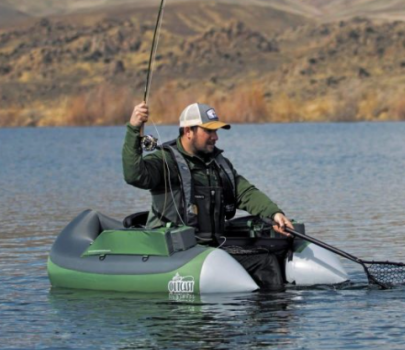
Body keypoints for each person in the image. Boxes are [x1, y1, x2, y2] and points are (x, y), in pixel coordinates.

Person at [123, 101, 294, 289]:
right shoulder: (165, 161)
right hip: (174, 253)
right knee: (264, 262)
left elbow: (245, 192)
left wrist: (274, 213)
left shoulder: (219, 165)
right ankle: (277, 315)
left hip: (210, 250)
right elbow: (134, 176)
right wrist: (134, 129)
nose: (216, 137)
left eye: (216, 131)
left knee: (273, 250)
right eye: (209, 131)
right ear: (189, 131)